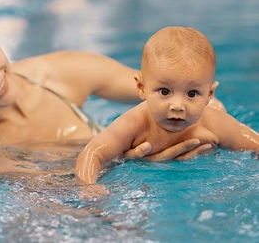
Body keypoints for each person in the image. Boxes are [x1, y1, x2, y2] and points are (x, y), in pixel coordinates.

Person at [0, 17, 225, 175]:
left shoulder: (59, 72)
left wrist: (206, 117)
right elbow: (55, 192)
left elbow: (168, 88)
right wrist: (125, 159)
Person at [75, 26, 259, 185]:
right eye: (164, 92)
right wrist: (88, 187)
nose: (178, 106)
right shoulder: (133, 124)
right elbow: (93, 154)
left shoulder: (214, 122)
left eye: (192, 94)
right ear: (141, 88)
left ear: (209, 95)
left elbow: (253, 143)